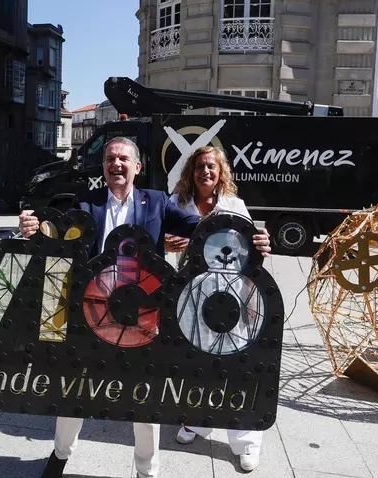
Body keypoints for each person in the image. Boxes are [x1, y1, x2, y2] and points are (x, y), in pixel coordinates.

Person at [18, 137, 271, 478]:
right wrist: (34, 228)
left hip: (143, 316)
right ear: (103, 167)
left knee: (146, 399)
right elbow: (58, 234)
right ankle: (61, 455)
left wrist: (248, 238)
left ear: (137, 167)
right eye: (110, 158)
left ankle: (147, 471)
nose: (116, 164)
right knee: (75, 388)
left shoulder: (156, 202)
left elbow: (201, 228)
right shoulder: (86, 202)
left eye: (123, 158)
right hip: (94, 312)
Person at [165, 145, 267, 472]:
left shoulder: (234, 205)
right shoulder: (177, 203)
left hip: (229, 294)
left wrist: (261, 246)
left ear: (220, 172)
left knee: (236, 364)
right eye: (200, 167)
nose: (206, 172)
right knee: (197, 361)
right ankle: (198, 421)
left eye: (211, 166)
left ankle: (246, 441)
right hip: (190, 294)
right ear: (190, 172)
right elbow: (158, 240)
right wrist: (166, 243)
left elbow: (251, 248)